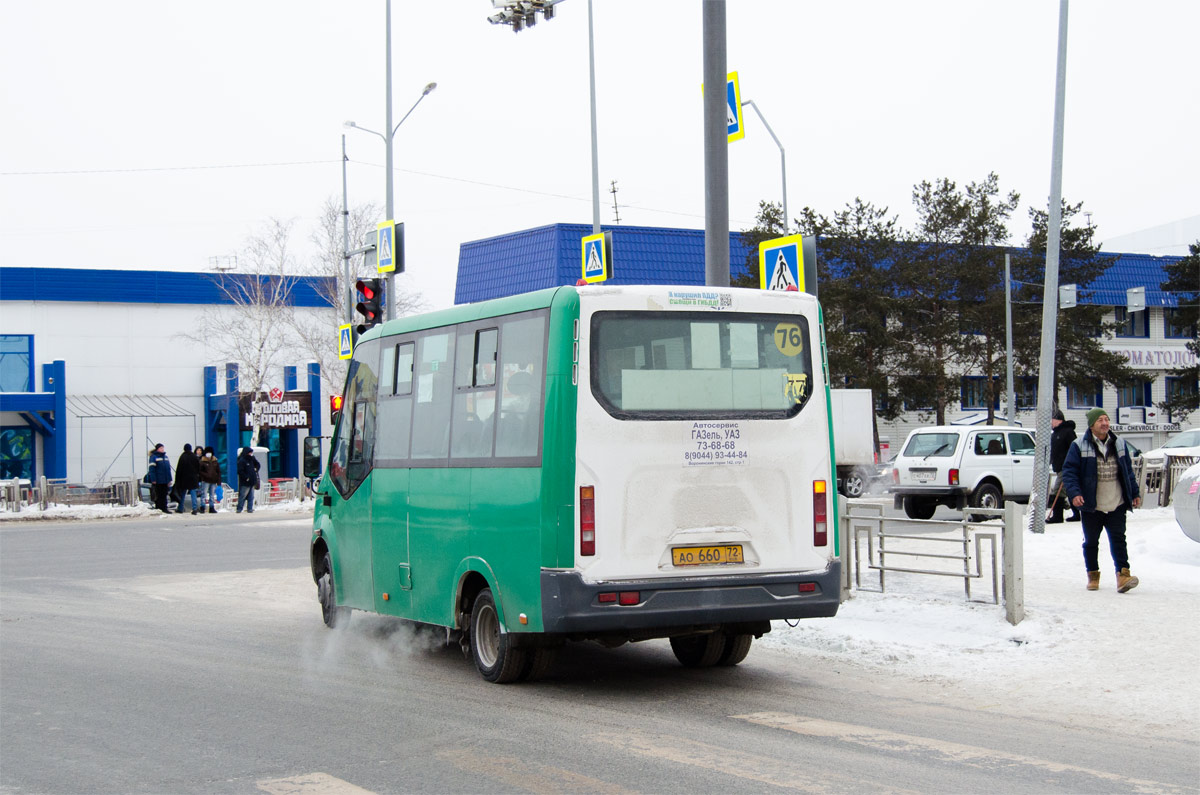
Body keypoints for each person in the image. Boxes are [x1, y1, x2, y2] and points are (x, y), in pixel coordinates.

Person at [1061, 407, 1142, 593]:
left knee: (1119, 540)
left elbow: (1128, 471)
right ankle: (1093, 574)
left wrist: (1134, 493)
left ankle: (1123, 575)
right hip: (1092, 504)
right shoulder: (1079, 445)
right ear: (1091, 425)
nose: (1105, 423)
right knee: (1091, 541)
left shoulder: (1119, 443)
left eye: (1106, 419)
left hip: (1116, 501)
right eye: (1100, 420)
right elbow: (1070, 472)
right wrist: (1075, 493)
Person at [1046, 409, 1080, 523]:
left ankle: (1057, 516)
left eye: (1051, 420)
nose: (1050, 423)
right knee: (1070, 491)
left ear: (1058, 420)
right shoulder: (1055, 433)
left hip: (1066, 468)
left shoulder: (1068, 432)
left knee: (1057, 492)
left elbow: (1074, 449)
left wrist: (1070, 463)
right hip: (1059, 467)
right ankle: (1077, 514)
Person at [175, 443, 202, 515]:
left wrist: (177, 479)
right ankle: (194, 509)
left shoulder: (183, 456)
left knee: (183, 494)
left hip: (184, 479)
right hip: (193, 478)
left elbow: (179, 469)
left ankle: (180, 508)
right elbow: (198, 467)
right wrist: (197, 476)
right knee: (193, 494)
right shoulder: (194, 457)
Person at [146, 443, 173, 514]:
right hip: (158, 480)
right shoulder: (154, 457)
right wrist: (153, 479)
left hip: (165, 480)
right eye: (161, 448)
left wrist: (169, 479)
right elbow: (152, 469)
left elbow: (168, 469)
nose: (162, 449)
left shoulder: (166, 457)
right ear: (157, 449)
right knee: (159, 495)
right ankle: (159, 508)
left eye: (163, 448)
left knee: (164, 495)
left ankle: (164, 508)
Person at [236, 446, 261, 514]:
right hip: (245, 482)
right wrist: (246, 477)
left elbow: (258, 464)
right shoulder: (242, 460)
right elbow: (240, 471)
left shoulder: (252, 459)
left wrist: (256, 469)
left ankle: (250, 508)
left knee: (251, 496)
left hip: (252, 481)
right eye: (249, 453)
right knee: (243, 495)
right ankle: (239, 508)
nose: (250, 454)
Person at [197, 446, 222, 514]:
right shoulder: (202, 461)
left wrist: (219, 482)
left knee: (212, 495)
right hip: (205, 481)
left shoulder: (215, 461)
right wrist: (205, 476)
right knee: (204, 494)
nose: (209, 454)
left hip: (213, 481)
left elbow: (218, 472)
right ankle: (202, 507)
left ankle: (211, 507)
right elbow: (199, 471)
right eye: (207, 452)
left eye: (210, 452)